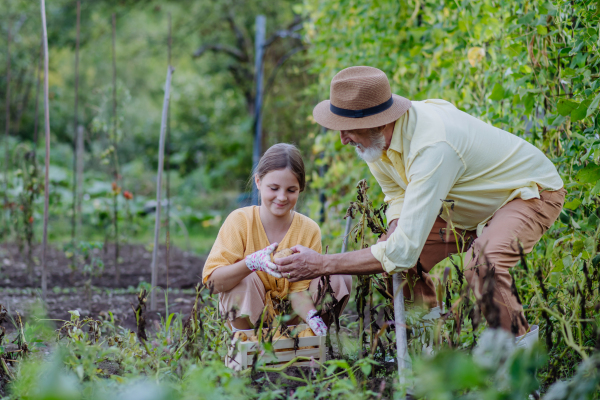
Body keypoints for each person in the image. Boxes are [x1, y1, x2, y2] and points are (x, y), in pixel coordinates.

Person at [274, 66, 565, 346]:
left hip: (525, 193)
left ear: (378, 121)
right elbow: (396, 195)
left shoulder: (431, 147)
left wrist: (323, 264)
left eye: (348, 128)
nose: (342, 139)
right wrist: (395, 231)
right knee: (396, 259)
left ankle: (518, 370)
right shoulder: (376, 144)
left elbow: (402, 251)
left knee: (481, 266)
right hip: (464, 207)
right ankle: (430, 353)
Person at [203, 143, 352, 335]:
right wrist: (250, 264)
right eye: (273, 188)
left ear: (300, 189)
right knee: (244, 281)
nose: (282, 197)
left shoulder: (309, 229)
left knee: (338, 276)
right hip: (248, 319)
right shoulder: (240, 221)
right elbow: (212, 283)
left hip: (293, 320)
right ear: (258, 182)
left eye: (291, 190)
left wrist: (313, 317)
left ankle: (312, 340)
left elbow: (299, 290)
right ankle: (248, 347)